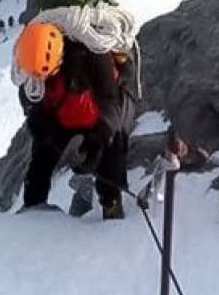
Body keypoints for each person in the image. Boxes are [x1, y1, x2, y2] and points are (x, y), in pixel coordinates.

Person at [14, 21, 135, 220]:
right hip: (64, 116)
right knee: (42, 154)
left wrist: (95, 145)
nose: (42, 80)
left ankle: (111, 204)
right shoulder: (33, 73)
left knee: (113, 148)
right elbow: (35, 115)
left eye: (48, 74)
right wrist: (51, 138)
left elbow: (111, 106)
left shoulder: (95, 54)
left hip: (99, 116)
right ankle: (33, 205)